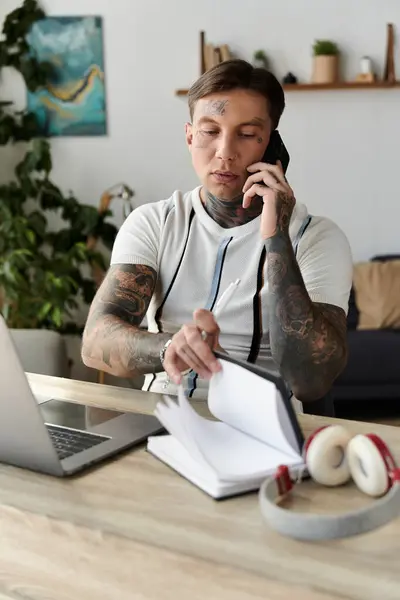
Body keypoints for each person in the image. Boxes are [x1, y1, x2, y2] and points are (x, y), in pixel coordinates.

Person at [81, 59, 353, 409]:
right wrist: (170, 346)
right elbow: (94, 341)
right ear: (190, 137)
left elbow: (310, 381)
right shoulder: (152, 223)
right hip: (162, 421)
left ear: (272, 147)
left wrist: (277, 238)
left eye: (247, 134)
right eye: (210, 131)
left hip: (266, 428)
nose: (225, 152)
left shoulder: (318, 239)